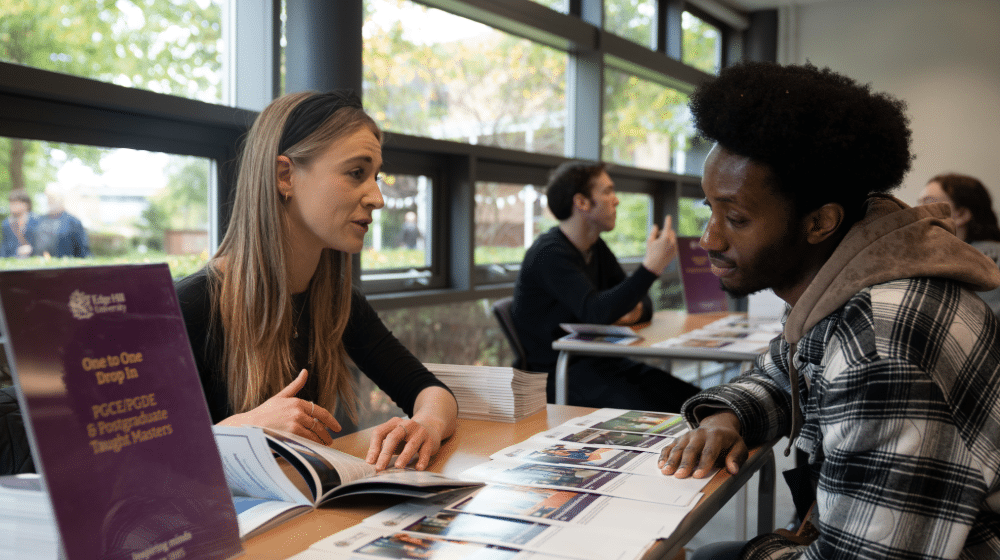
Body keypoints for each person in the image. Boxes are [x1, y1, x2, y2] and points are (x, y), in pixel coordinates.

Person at [656, 61, 1000, 559]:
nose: (709, 238)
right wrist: (726, 418)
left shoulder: (880, 348)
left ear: (819, 222)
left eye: (735, 217)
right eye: (709, 210)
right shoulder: (853, 278)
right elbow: (783, 370)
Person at [175, 90, 457, 471]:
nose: (377, 197)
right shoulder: (189, 306)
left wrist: (426, 424)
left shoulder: (335, 300)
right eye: (356, 173)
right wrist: (237, 432)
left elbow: (430, 390)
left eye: (375, 176)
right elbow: (137, 463)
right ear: (285, 176)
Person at [511, 160, 700, 412]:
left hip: (603, 362)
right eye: (607, 191)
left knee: (701, 402)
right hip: (562, 374)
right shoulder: (549, 254)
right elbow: (596, 311)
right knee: (669, 414)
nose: (617, 200)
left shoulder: (595, 248)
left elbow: (642, 303)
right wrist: (650, 268)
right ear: (582, 203)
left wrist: (624, 309)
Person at [918, 173, 1000, 317]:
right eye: (918, 203)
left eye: (928, 203)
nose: (917, 212)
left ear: (961, 214)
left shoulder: (993, 260)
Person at [34, 187, 90, 257]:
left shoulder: (73, 222)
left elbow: (82, 250)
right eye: (48, 198)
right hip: (40, 264)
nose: (49, 201)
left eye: (52, 198)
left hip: (64, 265)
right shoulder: (40, 220)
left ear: (61, 199)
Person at [1, 189, 38, 258]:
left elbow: (42, 244)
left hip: (34, 261)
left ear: (26, 204)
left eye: (15, 203)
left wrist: (31, 249)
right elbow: (4, 247)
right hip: (13, 262)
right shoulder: (7, 223)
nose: (11, 206)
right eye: (11, 203)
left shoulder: (36, 221)